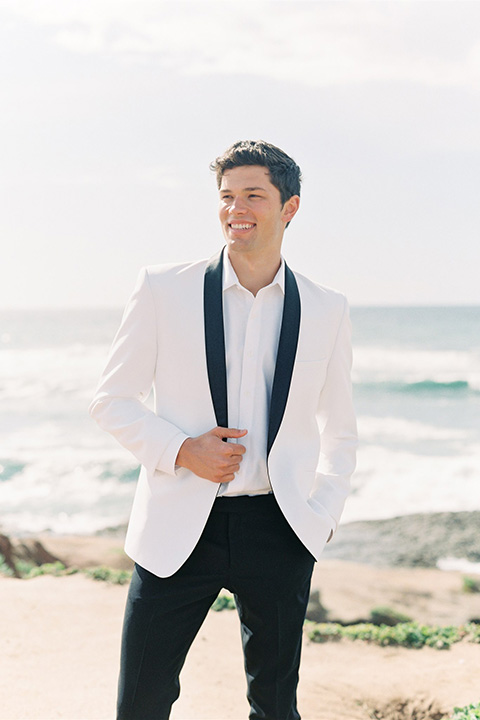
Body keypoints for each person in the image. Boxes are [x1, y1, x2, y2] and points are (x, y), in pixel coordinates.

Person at [89, 139, 357, 720]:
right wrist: (183, 450)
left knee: (275, 707)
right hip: (178, 525)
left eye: (253, 195)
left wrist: (322, 517)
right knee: (140, 701)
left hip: (280, 527)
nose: (236, 207)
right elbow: (112, 400)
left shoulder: (327, 308)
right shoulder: (163, 288)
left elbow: (341, 429)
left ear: (290, 208)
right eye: (227, 196)